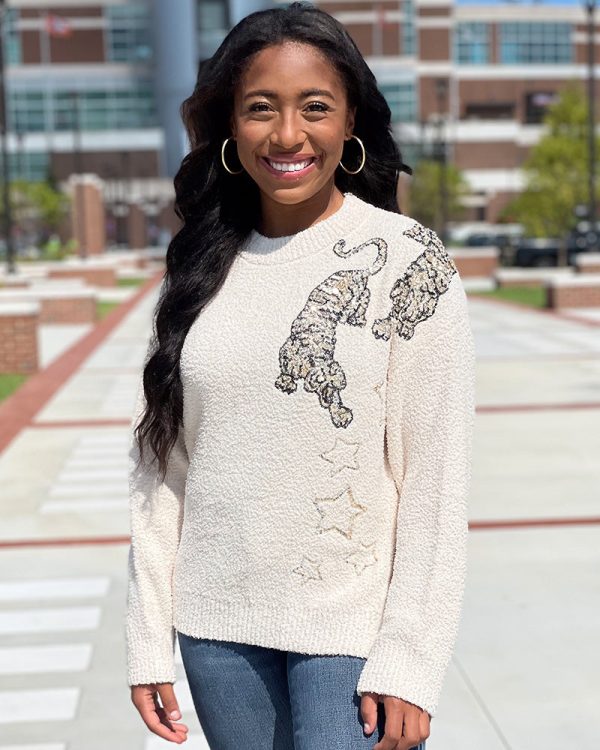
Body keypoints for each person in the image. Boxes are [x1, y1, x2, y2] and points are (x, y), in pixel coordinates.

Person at [125, 3, 476, 749]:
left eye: (315, 107)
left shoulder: (409, 260)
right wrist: (149, 635)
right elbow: (164, 467)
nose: (288, 135)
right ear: (229, 126)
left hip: (349, 632)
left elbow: (437, 480)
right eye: (261, 109)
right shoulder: (198, 269)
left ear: (350, 121)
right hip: (217, 630)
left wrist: (410, 658)